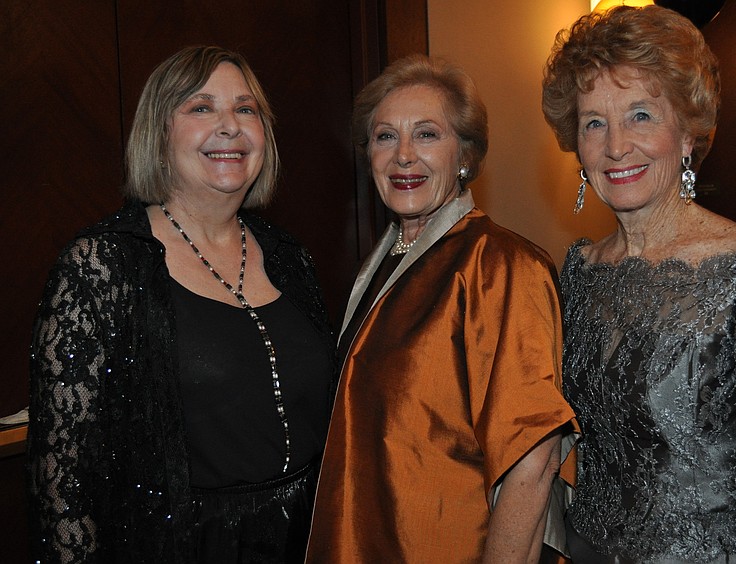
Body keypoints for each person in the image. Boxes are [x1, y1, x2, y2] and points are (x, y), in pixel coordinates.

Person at [27, 45, 335, 563]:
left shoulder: (290, 258)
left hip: (310, 540)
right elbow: (62, 479)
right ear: (159, 132)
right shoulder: (102, 266)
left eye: (246, 108)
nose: (230, 126)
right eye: (200, 107)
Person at [541, 5, 736, 563]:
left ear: (689, 132)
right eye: (594, 122)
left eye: (641, 115)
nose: (616, 146)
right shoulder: (577, 269)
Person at [306, 54, 577, 563]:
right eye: (385, 137)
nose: (403, 155)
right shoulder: (382, 264)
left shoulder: (501, 265)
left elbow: (532, 460)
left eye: (427, 134)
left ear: (466, 156)